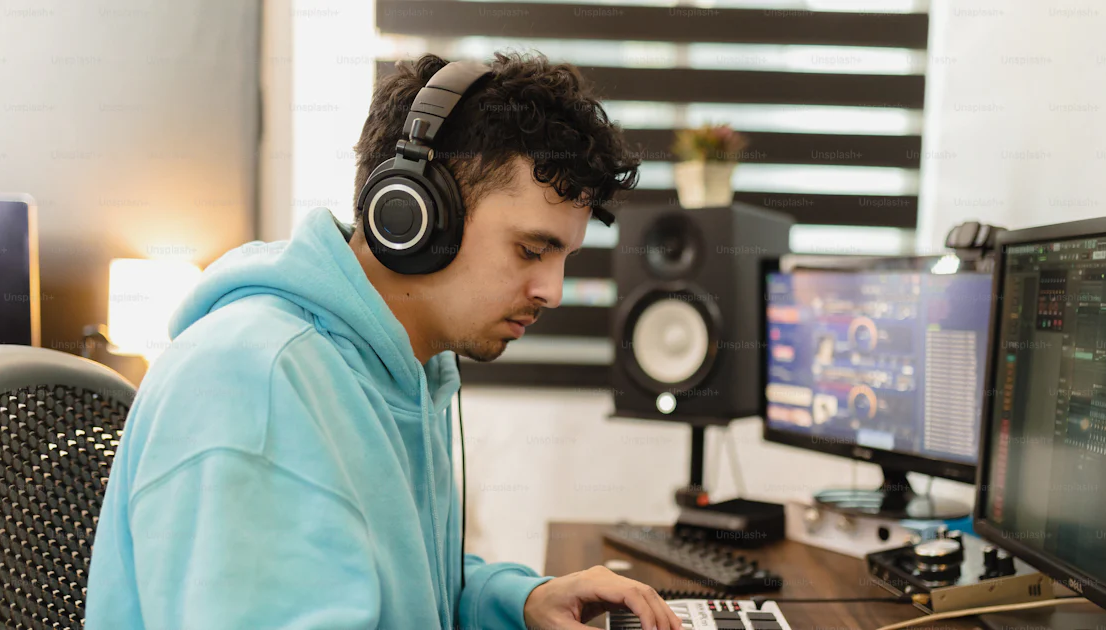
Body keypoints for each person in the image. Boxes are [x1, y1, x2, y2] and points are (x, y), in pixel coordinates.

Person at [84, 51, 682, 630]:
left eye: (564, 257)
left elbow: (410, 592)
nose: (552, 290)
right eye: (531, 250)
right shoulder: (257, 383)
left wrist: (521, 602)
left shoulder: (402, 371)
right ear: (411, 216)